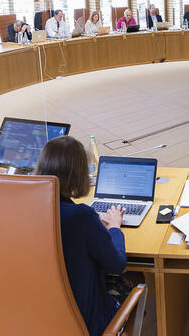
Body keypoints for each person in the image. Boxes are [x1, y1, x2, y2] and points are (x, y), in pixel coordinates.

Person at [36, 136, 128, 336]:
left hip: (37, 319)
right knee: (131, 285)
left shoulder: (25, 210)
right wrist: (114, 228)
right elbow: (117, 265)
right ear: (79, 174)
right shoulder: (81, 216)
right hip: (84, 323)